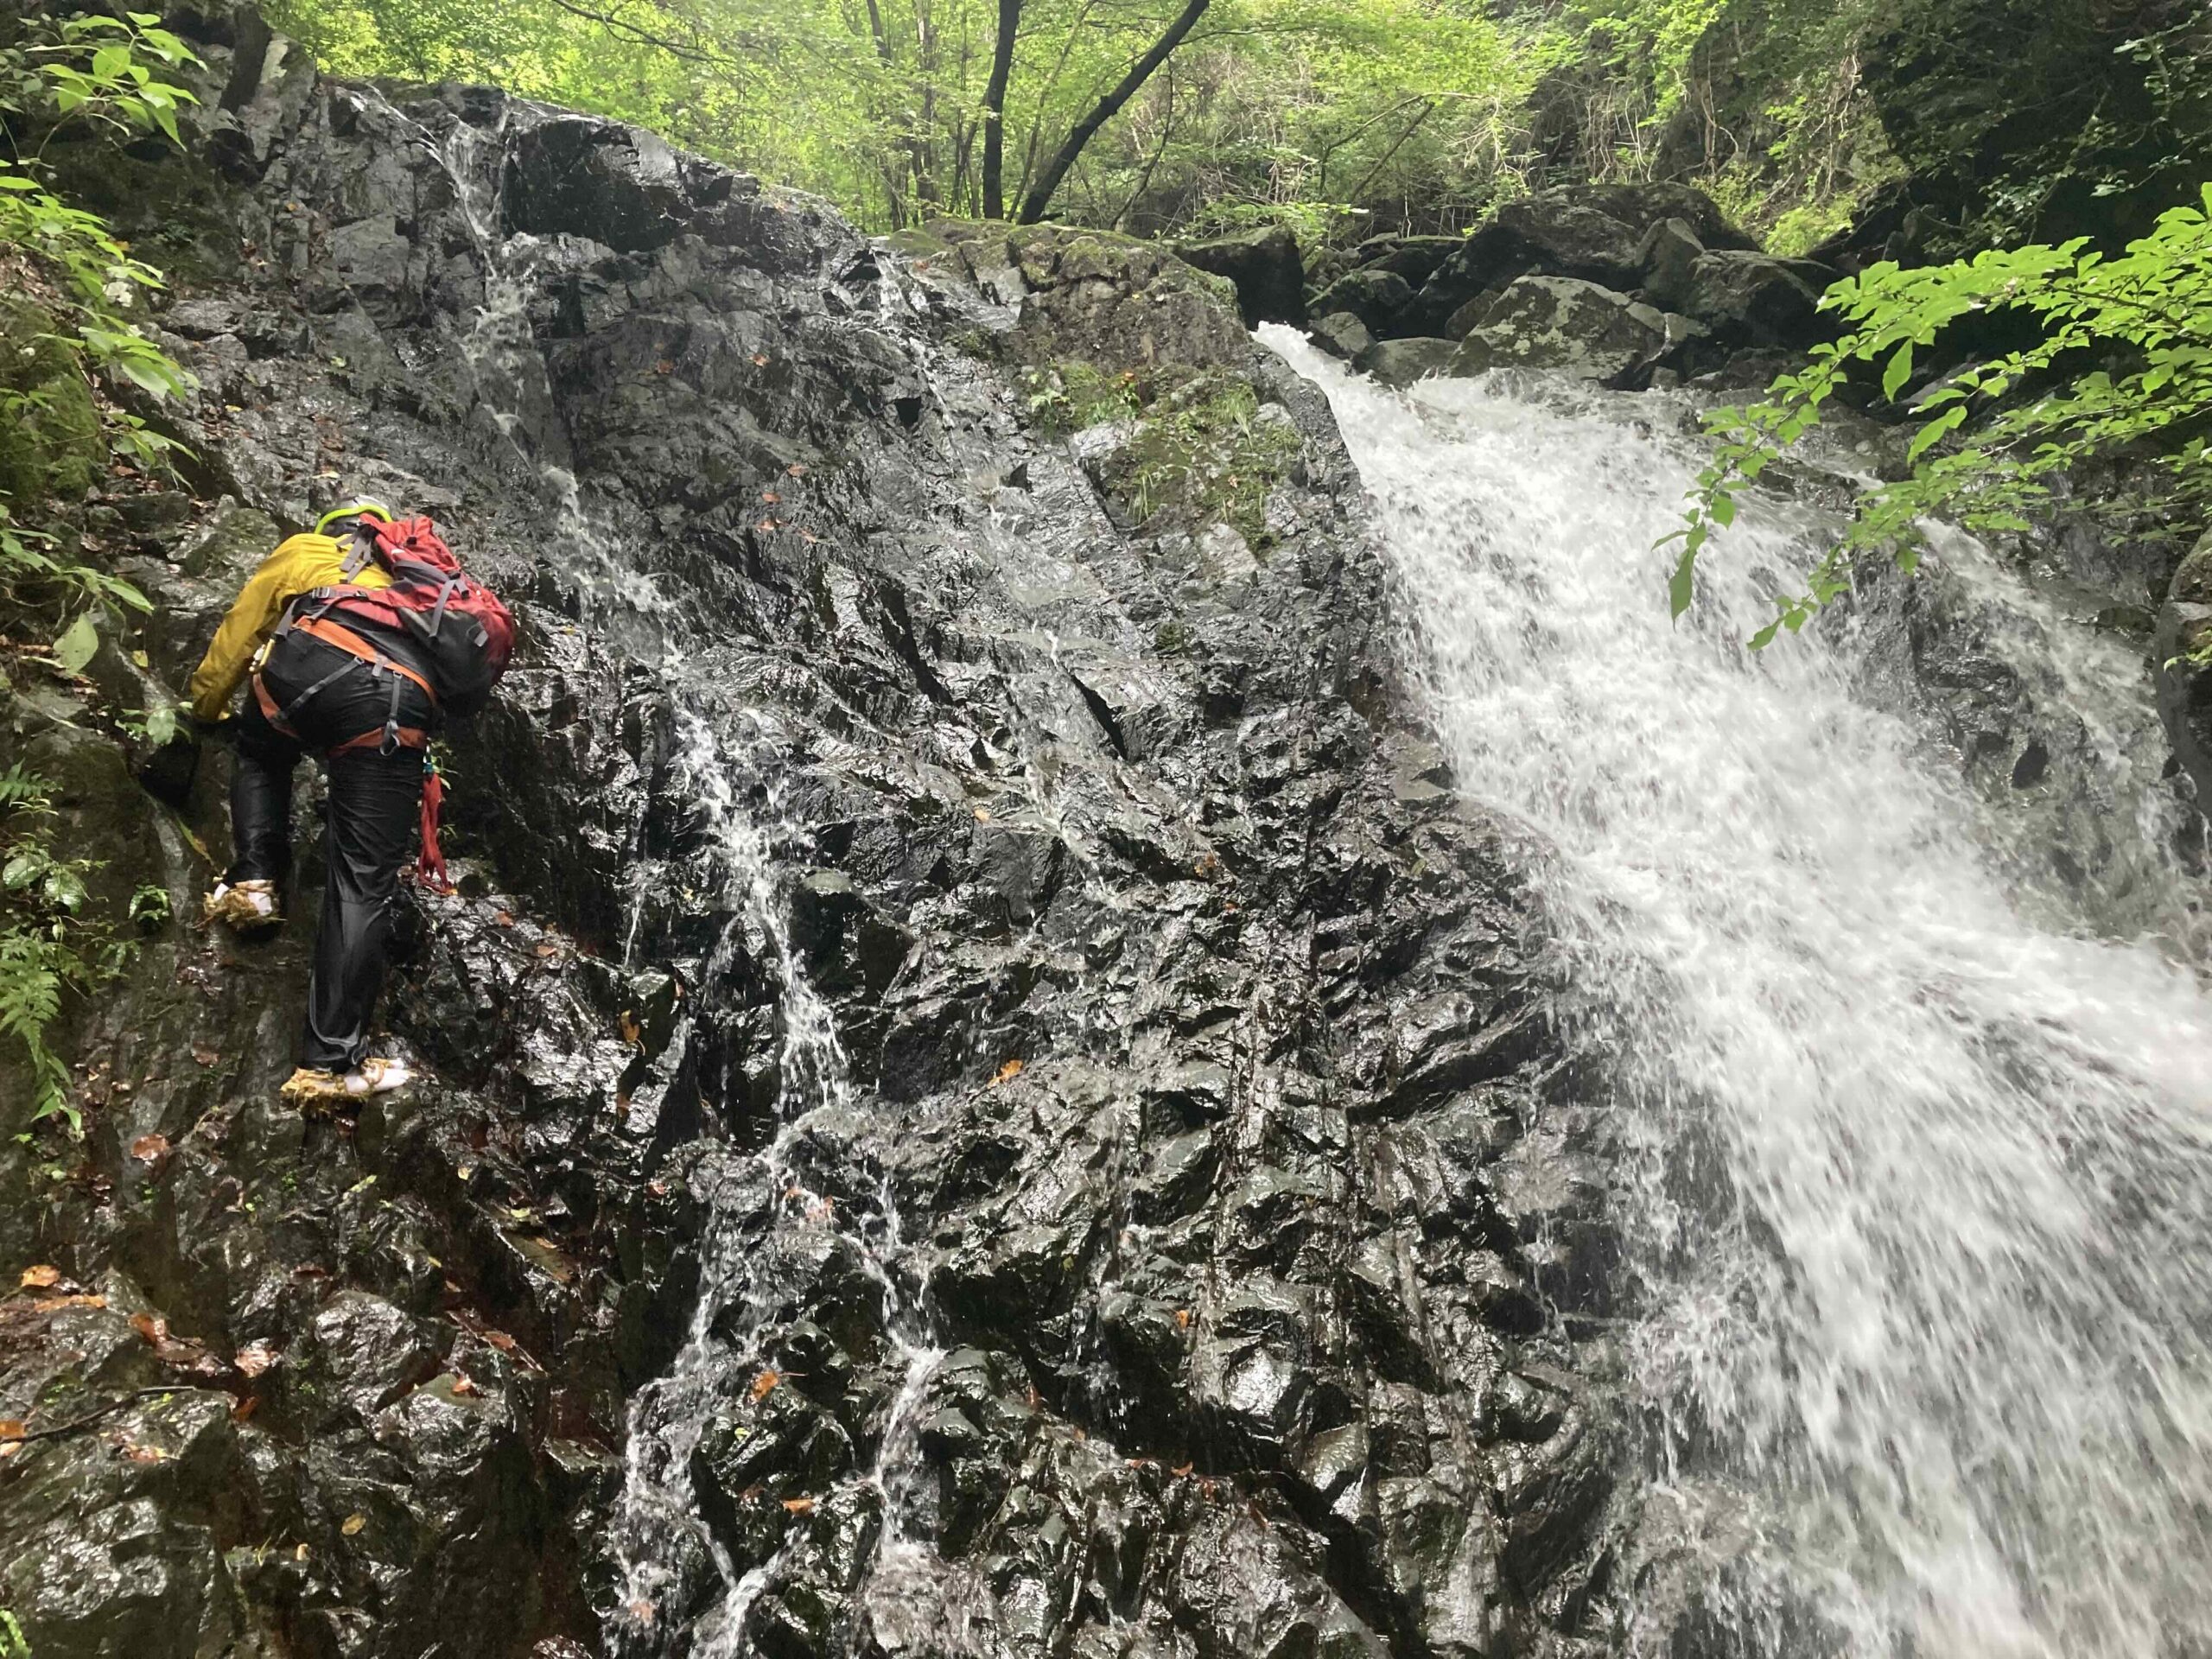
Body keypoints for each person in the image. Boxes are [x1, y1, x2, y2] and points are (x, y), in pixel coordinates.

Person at [189, 499, 435, 1105]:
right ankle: (330, 1063)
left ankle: (253, 880)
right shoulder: (415, 591)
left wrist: (206, 705)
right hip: (390, 706)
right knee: (361, 880)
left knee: (259, 750)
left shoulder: (303, 551)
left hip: (298, 676)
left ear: (336, 528)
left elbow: (240, 633)